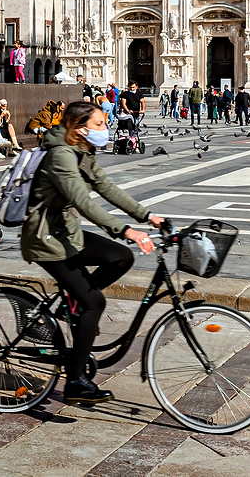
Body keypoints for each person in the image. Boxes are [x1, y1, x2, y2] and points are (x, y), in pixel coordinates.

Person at [21, 99, 165, 407]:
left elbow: (106, 187)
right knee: (94, 302)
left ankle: (71, 306)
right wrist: (126, 231)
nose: (105, 129)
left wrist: (147, 215)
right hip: (46, 239)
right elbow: (83, 202)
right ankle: (76, 381)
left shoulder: (83, 151)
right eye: (100, 124)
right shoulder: (61, 155)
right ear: (79, 128)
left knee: (120, 257)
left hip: (66, 233)